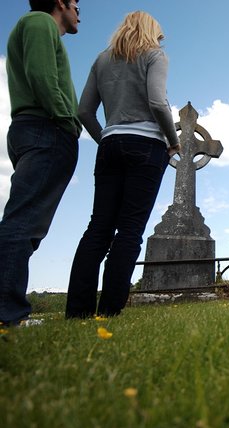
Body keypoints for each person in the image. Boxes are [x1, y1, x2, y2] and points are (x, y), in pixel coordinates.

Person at [65, 11, 180, 319]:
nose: (160, 41)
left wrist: (106, 137)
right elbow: (157, 102)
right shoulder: (156, 55)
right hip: (147, 146)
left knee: (98, 229)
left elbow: (84, 111)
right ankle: (109, 311)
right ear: (152, 32)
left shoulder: (102, 60)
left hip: (110, 145)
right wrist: (173, 141)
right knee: (129, 229)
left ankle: (77, 313)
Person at [0, 0, 82, 326]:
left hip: (38, 130)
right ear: (60, 3)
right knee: (21, 223)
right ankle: (7, 315)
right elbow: (41, 75)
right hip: (45, 129)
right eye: (76, 3)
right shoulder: (39, 22)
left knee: (28, 226)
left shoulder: (37, 27)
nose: (79, 11)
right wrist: (67, 121)